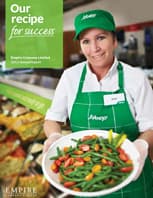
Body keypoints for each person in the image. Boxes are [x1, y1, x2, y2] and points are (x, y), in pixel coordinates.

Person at [43, 9, 153, 197]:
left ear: (114, 40)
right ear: (81, 45)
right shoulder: (70, 77)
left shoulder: (135, 78)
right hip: (84, 180)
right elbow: (53, 118)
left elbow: (151, 125)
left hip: (132, 176)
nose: (94, 48)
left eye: (101, 38)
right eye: (86, 41)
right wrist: (53, 137)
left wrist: (142, 146)